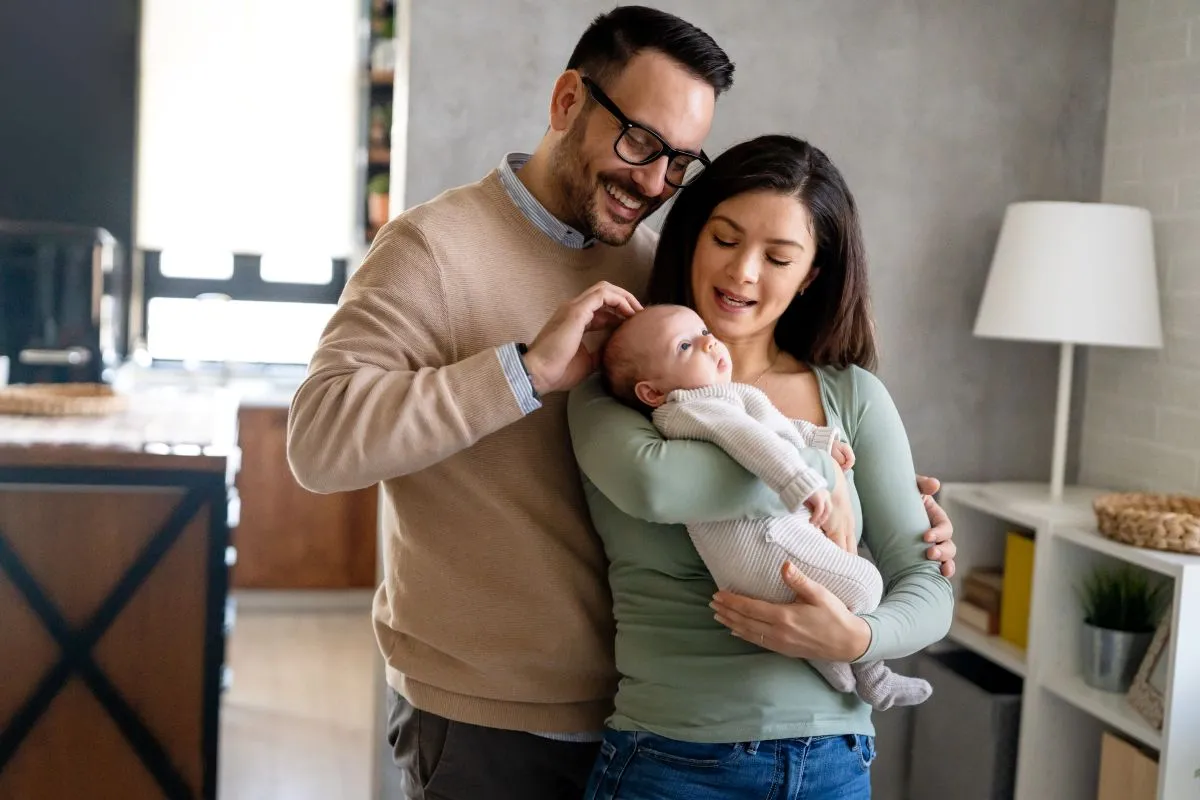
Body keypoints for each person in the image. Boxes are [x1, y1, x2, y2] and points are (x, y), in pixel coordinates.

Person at [286, 7, 957, 799]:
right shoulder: (433, 249)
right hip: (494, 718)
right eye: (640, 141)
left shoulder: (661, 277)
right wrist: (524, 373)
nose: (653, 181)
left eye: (679, 161)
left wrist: (879, 503)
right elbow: (318, 445)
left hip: (644, 724)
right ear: (568, 100)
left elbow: (749, 431)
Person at [568, 134, 956, 799]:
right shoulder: (623, 390)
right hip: (673, 758)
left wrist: (857, 638)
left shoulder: (852, 397)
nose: (744, 272)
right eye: (725, 239)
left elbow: (927, 585)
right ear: (692, 237)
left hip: (834, 761)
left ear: (811, 275)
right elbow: (659, 486)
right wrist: (820, 468)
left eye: (778, 257)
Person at [599, 303, 933, 712]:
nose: (708, 343)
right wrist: (801, 480)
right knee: (865, 584)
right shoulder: (689, 407)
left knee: (826, 602)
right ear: (652, 392)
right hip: (764, 545)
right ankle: (872, 675)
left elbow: (776, 428)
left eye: (703, 332)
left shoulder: (724, 397)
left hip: (760, 551)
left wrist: (821, 442)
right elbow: (751, 441)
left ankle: (838, 666)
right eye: (685, 346)